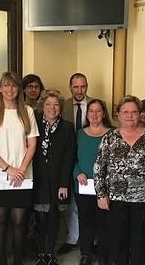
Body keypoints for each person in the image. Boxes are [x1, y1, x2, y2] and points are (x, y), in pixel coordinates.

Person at [95, 95, 145, 265]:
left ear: (139, 114)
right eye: (125, 112)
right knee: (118, 243)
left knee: (140, 244)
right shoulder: (109, 138)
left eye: (134, 112)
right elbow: (98, 168)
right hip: (116, 199)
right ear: (118, 114)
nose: (129, 115)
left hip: (144, 199)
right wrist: (101, 194)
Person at [0, 71, 39, 265]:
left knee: (19, 220)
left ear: (19, 89)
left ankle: (17, 261)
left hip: (23, 175)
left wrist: (20, 169)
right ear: (0, 88)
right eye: (6, 85)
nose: (10, 89)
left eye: (13, 85)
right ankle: (3, 260)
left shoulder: (27, 112)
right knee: (0, 218)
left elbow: (32, 144)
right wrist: (8, 169)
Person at [32, 89, 75, 265]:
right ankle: (41, 253)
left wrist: (64, 184)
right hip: (38, 180)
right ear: (43, 105)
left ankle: (50, 253)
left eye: (56, 104)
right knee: (40, 218)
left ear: (61, 107)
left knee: (53, 217)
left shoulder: (67, 128)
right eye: (48, 104)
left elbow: (69, 157)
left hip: (58, 182)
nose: (52, 108)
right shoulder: (34, 124)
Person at [74, 99, 112, 265]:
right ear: (87, 114)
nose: (95, 114)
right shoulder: (79, 134)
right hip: (83, 187)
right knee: (86, 221)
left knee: (105, 222)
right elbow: (71, 158)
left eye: (98, 111)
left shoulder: (113, 134)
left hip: (106, 187)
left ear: (104, 113)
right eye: (91, 111)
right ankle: (86, 253)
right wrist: (77, 173)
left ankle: (104, 255)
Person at [59, 72, 91, 255]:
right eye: (76, 87)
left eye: (83, 86)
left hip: (87, 156)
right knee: (71, 202)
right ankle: (72, 238)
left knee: (89, 201)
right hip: (67, 157)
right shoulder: (62, 106)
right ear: (70, 87)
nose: (79, 90)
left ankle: (92, 241)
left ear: (87, 86)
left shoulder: (95, 104)